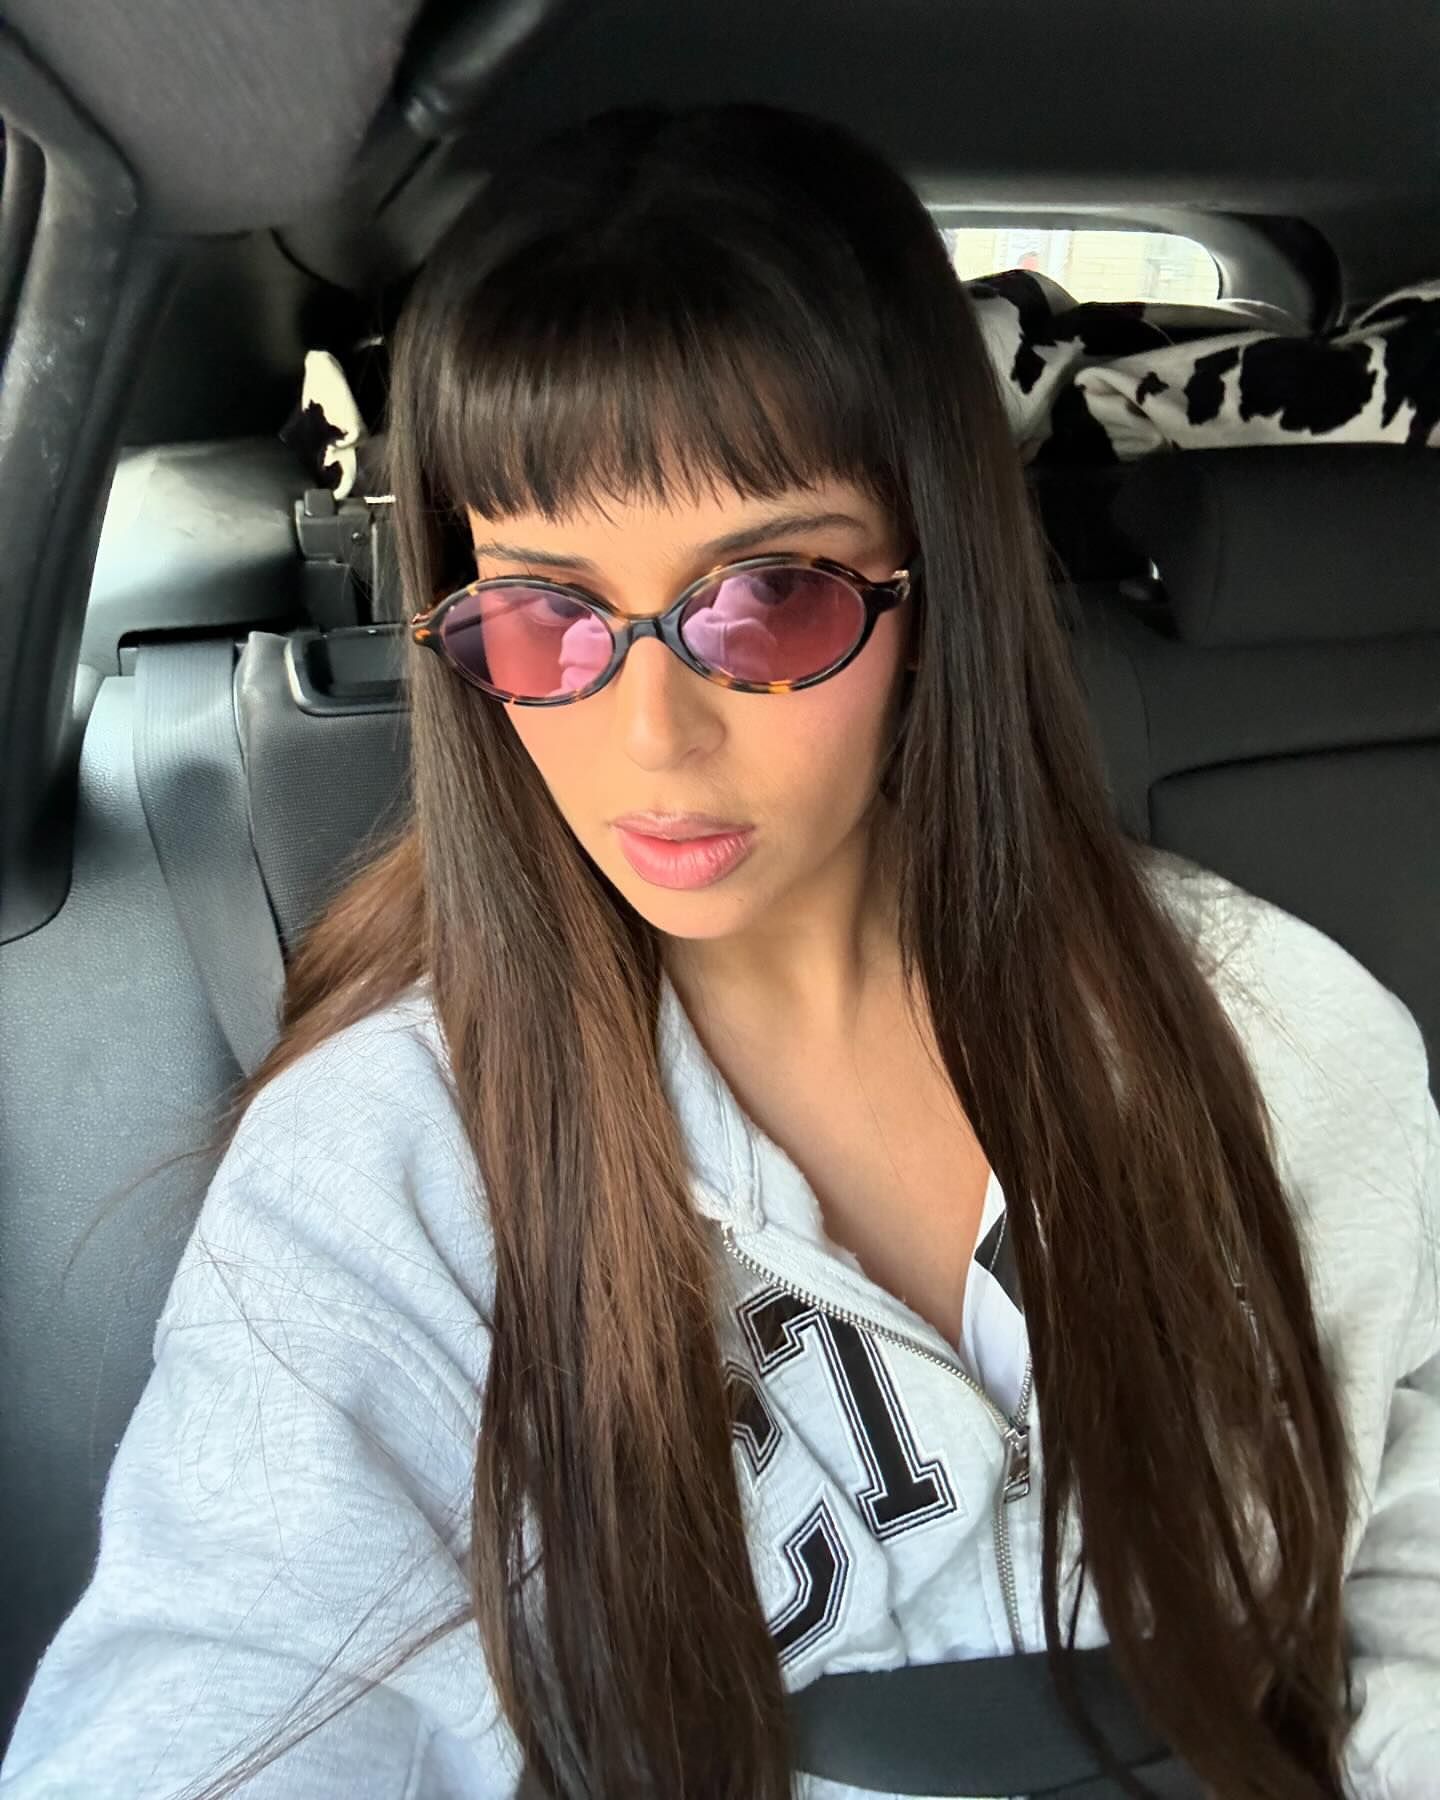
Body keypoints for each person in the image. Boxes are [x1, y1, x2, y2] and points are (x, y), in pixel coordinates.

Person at [2, 101, 1437, 1800]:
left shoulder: (1285, 1041)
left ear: (937, 581)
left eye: (769, 599)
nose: (651, 740)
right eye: (544, 614)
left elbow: (1406, 1591)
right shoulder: (392, 1166)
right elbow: (225, 1705)